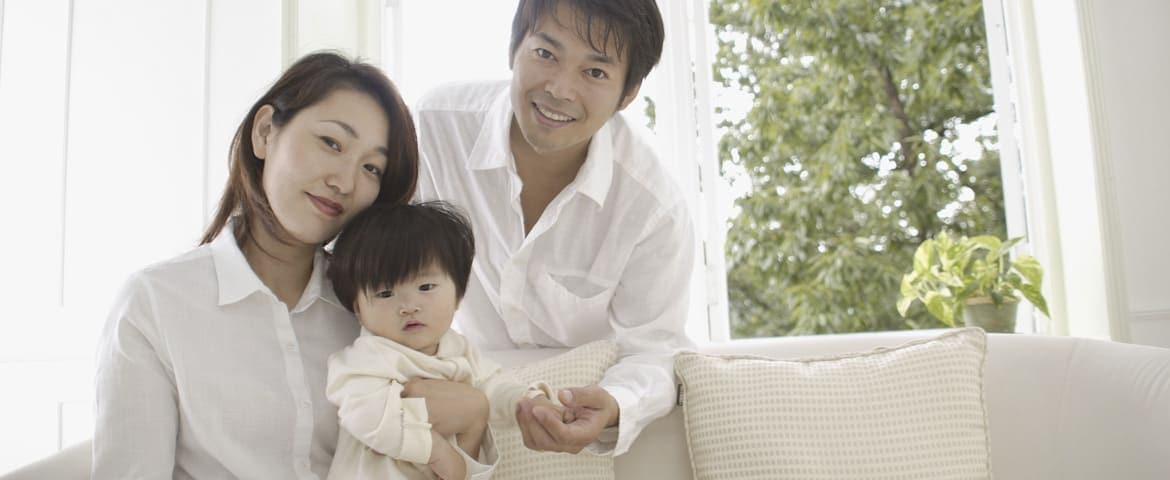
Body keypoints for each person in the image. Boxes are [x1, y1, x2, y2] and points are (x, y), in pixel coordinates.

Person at [93, 52, 422, 479]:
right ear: (266, 132)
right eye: (331, 143)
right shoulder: (156, 303)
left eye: (372, 168)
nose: (344, 182)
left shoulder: (373, 311)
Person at [412, 0, 695, 456]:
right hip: (449, 398)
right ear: (514, 49)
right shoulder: (432, 129)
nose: (560, 90)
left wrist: (615, 402)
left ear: (628, 94)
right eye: (546, 53)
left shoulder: (652, 209)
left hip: (570, 418)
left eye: (595, 72)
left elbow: (656, 349)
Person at [323, 201, 557, 480]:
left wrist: (530, 402)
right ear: (358, 309)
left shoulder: (460, 349)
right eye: (385, 294)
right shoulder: (367, 357)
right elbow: (364, 413)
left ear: (458, 294)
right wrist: (435, 451)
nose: (408, 306)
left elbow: (494, 386)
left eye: (425, 287)